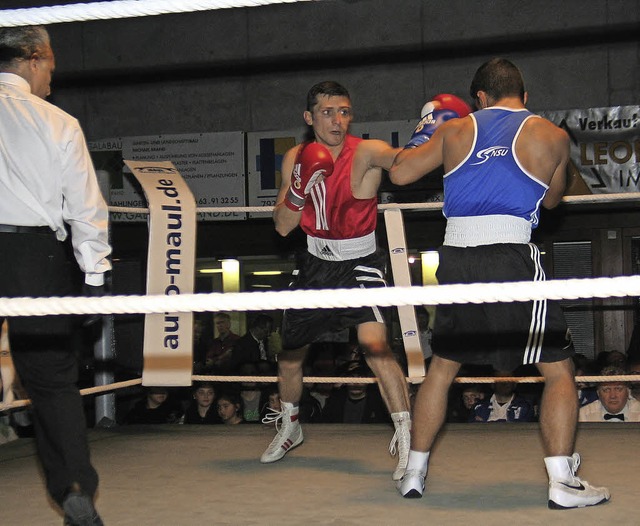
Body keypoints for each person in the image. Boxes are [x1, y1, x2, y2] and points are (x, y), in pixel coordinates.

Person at [389, 58, 610, 509]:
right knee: (558, 370)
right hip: (512, 257)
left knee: (442, 368)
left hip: (455, 258)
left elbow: (399, 174)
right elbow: (550, 203)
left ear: (480, 99)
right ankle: (562, 482)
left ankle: (413, 472)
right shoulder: (552, 135)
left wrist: (426, 130)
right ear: (524, 97)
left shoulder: (454, 131)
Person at [262, 80, 411, 481]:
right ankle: (291, 425)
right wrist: (297, 190)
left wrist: (431, 138)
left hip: (360, 260)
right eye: (328, 112)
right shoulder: (295, 156)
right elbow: (281, 227)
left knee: (375, 346)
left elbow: (403, 164)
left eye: (344, 111)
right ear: (309, 118)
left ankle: (408, 438)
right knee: (290, 353)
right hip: (314, 262)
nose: (338, 120)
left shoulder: (366, 150)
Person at [0, 26, 112, 525]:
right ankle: (72, 485)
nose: (52, 77)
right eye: (50, 66)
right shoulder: (56, 121)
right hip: (32, 254)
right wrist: (95, 276)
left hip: (31, 250)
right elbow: (86, 207)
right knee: (52, 382)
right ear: (33, 58)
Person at [469, 372, 535, 423]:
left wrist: (488, 424)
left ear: (515, 384)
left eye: (508, 379)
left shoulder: (525, 405)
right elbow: (471, 429)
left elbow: (522, 429)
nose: (504, 383)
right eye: (500, 379)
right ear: (492, 384)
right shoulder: (479, 406)